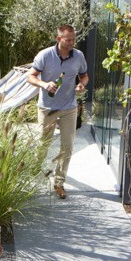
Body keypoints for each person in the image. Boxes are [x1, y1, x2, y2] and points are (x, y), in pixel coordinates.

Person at [26, 24, 89, 200]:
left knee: (67, 147)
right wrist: (44, 84)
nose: (72, 43)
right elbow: (30, 76)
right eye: (68, 40)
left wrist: (81, 84)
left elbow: (84, 76)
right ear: (59, 39)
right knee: (42, 145)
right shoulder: (45, 55)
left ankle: (59, 183)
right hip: (48, 107)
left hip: (69, 107)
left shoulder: (78, 56)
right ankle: (32, 175)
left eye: (74, 40)